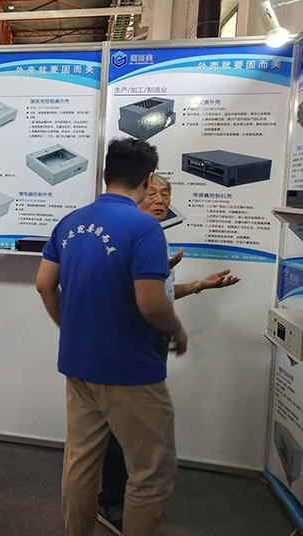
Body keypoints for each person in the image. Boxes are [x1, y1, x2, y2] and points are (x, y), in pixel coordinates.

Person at [36, 138, 187, 536]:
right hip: (130, 369)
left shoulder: (70, 222)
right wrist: (177, 329)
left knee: (81, 462)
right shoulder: (144, 227)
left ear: (105, 174)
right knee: (151, 470)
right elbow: (151, 303)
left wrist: (69, 327)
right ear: (148, 179)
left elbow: (44, 284)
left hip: (79, 364)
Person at [97, 173, 240, 535]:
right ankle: (112, 502)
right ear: (136, 195)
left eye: (166, 194)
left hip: (150, 343)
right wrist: (176, 328)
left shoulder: (154, 238)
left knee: (135, 429)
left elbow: (161, 294)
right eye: (153, 193)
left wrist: (199, 285)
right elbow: (136, 298)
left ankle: (121, 501)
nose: (161, 200)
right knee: (127, 429)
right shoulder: (136, 235)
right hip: (135, 345)